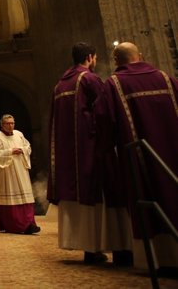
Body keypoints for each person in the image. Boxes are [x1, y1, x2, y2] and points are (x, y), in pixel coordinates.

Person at [47, 42, 132, 264]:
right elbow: (106, 111)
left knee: (84, 200)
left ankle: (90, 248)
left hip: (69, 155)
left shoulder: (59, 85)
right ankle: (118, 247)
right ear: (91, 57)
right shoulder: (89, 79)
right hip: (92, 150)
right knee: (106, 195)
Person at [104, 42, 178, 271]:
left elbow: (104, 123)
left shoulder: (114, 84)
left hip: (138, 158)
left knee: (148, 199)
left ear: (116, 61)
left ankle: (154, 261)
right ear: (141, 55)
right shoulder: (166, 78)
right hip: (173, 155)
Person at [0, 114, 40, 234]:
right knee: (11, 196)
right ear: (2, 125)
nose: (11, 126)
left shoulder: (19, 134)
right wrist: (10, 151)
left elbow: (27, 147)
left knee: (25, 195)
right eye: (8, 123)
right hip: (7, 172)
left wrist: (22, 150)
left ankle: (29, 223)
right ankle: (15, 226)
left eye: (12, 123)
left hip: (21, 169)